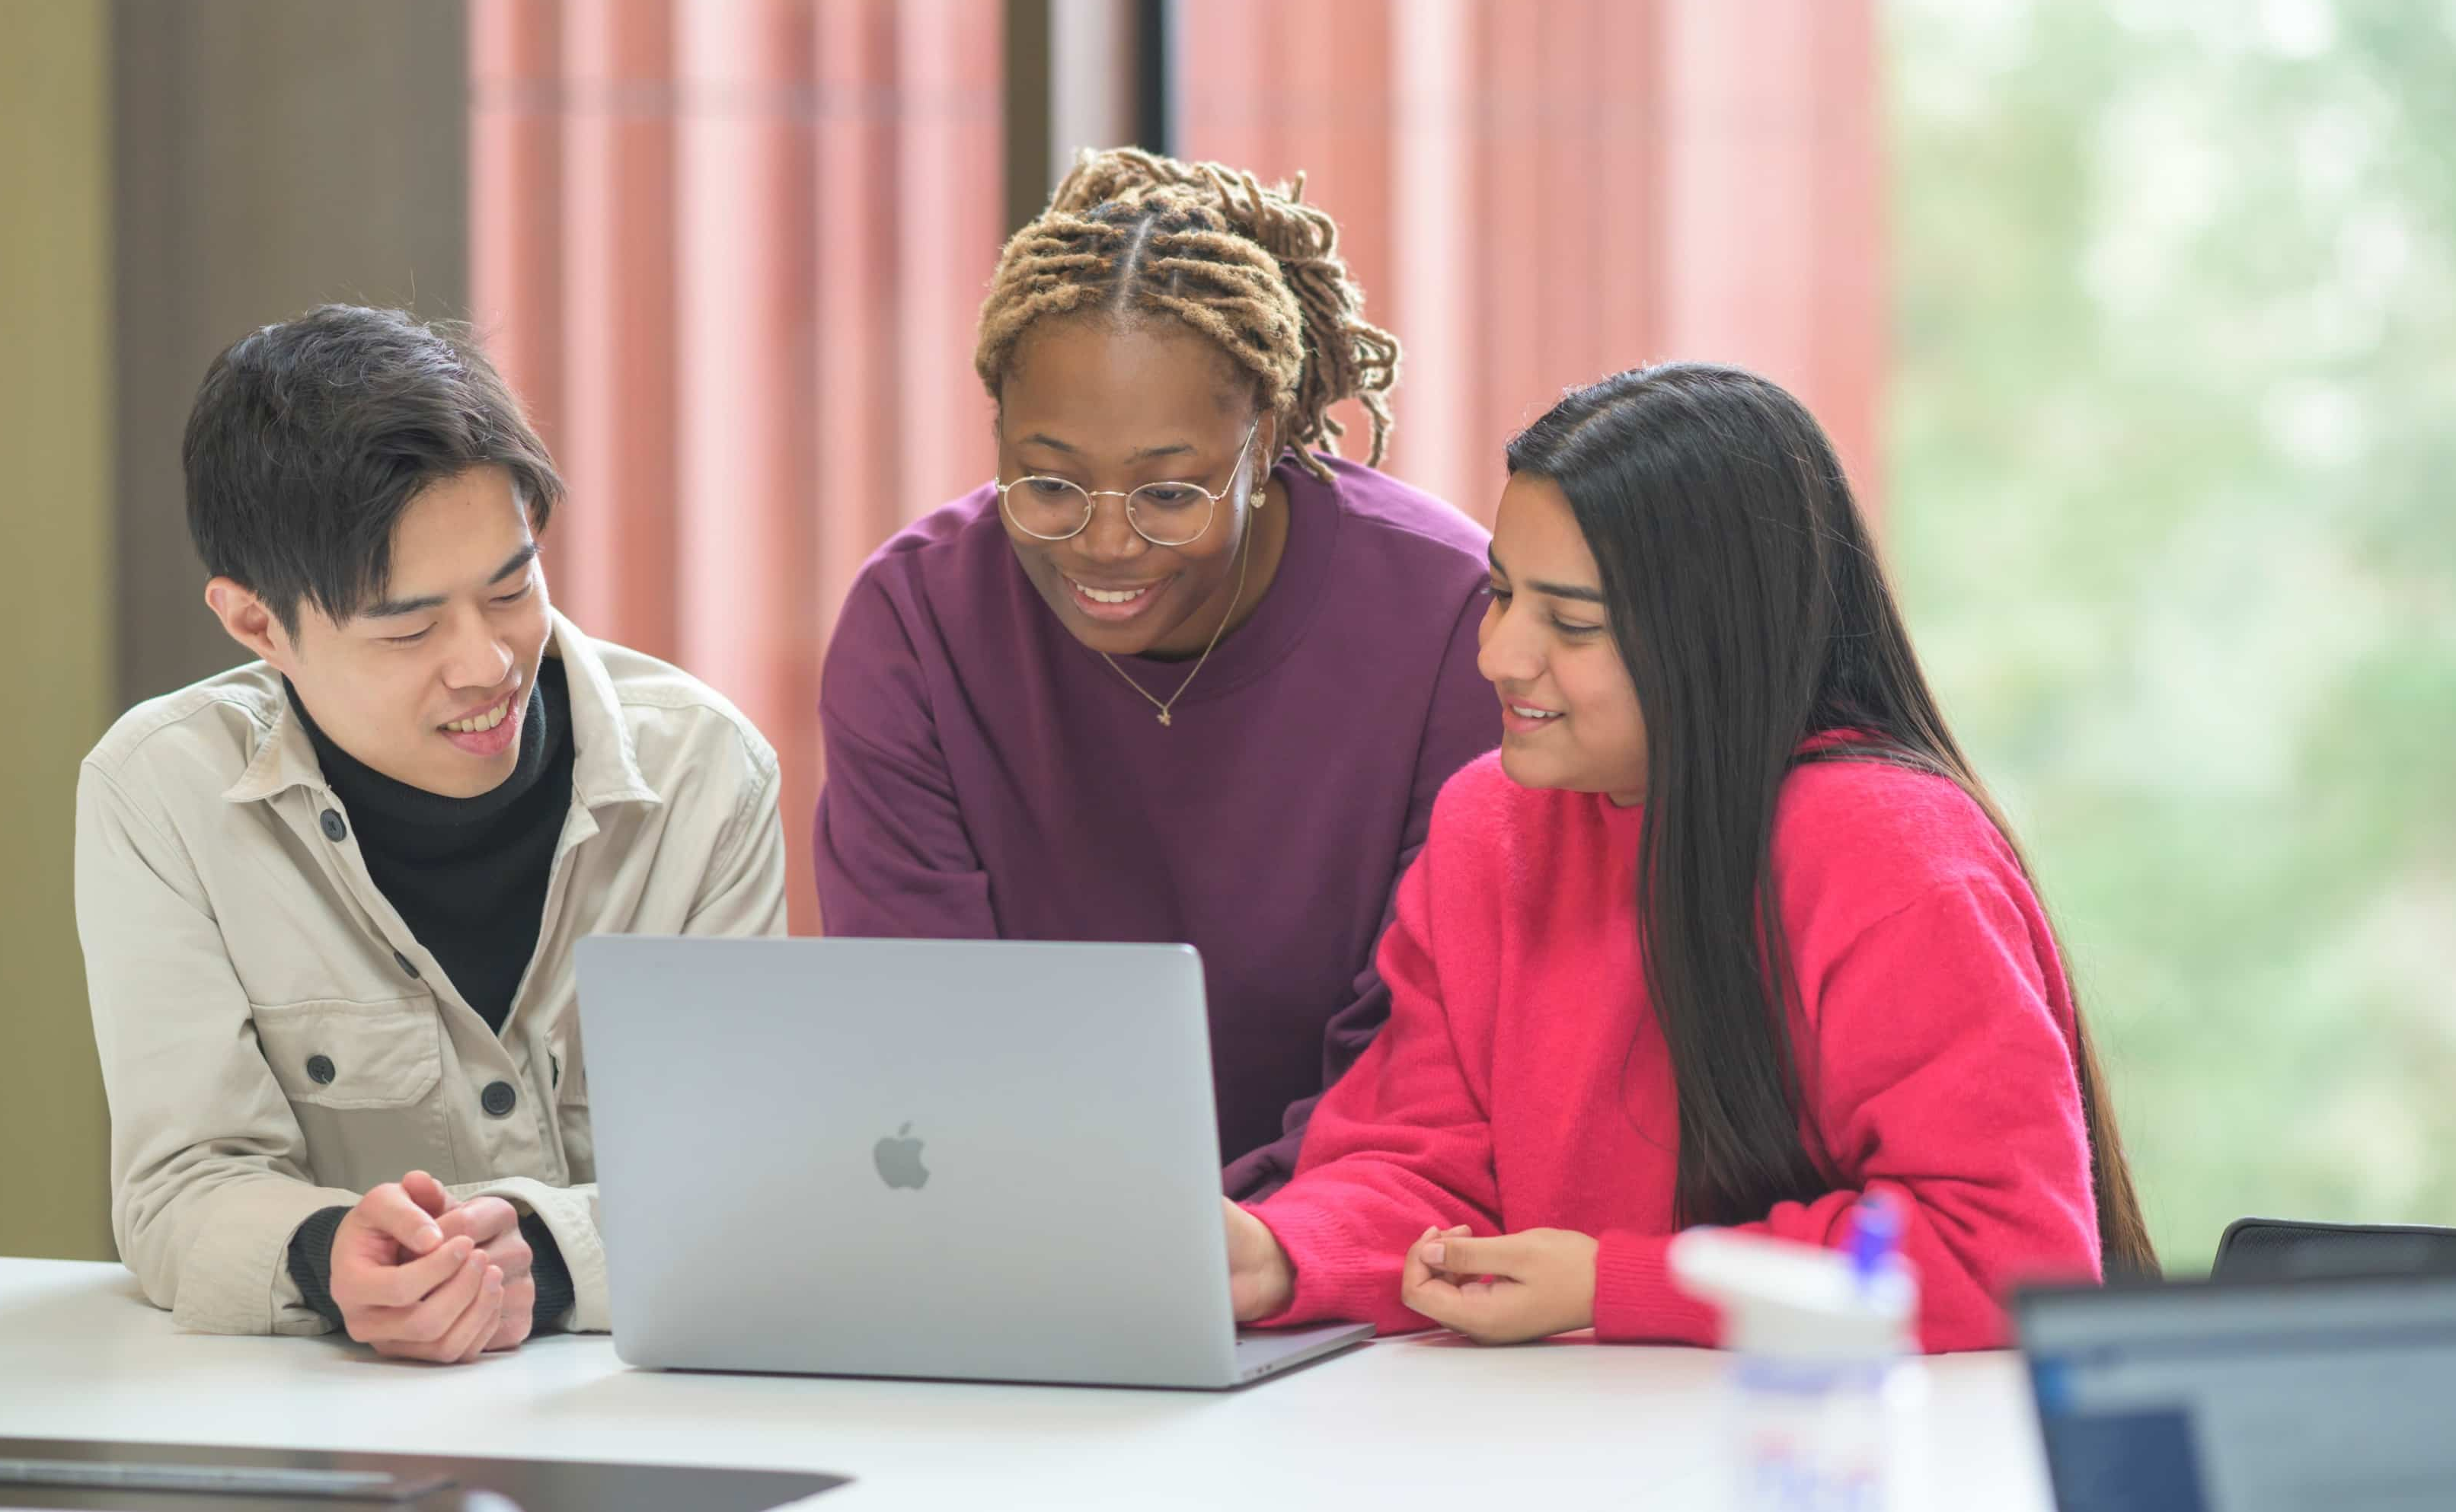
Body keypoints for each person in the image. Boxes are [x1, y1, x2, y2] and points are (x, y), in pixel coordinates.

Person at [1222, 362, 2154, 1351]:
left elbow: (2002, 1254)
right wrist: (1281, 1249)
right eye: (1500, 593)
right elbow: (1424, 1164)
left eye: (1571, 622)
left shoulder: (1892, 852)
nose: (1498, 652)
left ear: (1715, 635)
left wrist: (1616, 1280)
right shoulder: (1485, 822)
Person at [75, 305, 784, 1359]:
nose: (486, 662)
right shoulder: (163, 791)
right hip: (318, 1425)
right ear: (257, 622)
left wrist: (540, 1257)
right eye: (409, 627)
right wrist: (327, 1254)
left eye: (513, 586)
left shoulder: (703, 774)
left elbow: (756, 1174)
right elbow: (182, 1186)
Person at [816, 151, 1503, 1197]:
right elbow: (922, 1034)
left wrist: (1242, 1240)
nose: (1102, 545)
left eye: (1168, 495)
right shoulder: (915, 626)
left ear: (1265, 435)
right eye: (1047, 482)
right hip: (1016, 1234)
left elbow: (1417, 1061)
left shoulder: (1447, 622)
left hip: (1356, 1239)